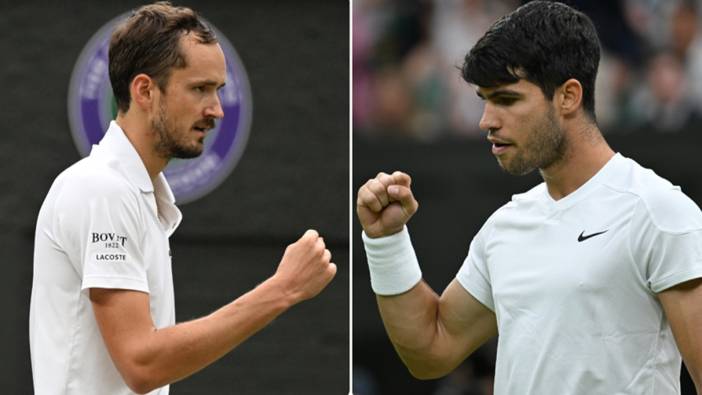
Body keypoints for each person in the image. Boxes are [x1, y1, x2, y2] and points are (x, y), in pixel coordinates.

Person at [356, 2, 702, 394]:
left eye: (506, 99)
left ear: (568, 96)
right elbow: (431, 350)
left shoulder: (659, 212)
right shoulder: (505, 226)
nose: (486, 120)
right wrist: (386, 241)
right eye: (484, 100)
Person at [29, 2, 336, 394]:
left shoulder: (132, 192)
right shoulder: (103, 189)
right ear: (144, 91)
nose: (217, 110)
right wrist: (282, 289)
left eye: (218, 90)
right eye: (199, 89)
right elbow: (142, 362)